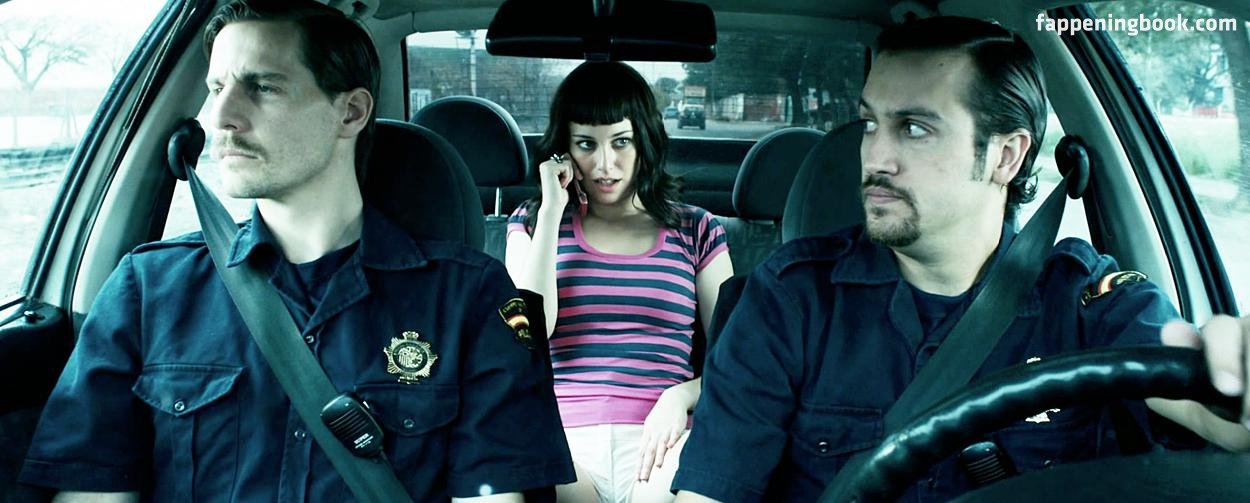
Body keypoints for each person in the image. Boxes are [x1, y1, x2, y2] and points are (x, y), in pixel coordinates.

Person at [670, 16, 1250, 503]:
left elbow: (1204, 407)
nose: (876, 157)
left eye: (914, 128)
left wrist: (1232, 384)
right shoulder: (791, 297)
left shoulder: (1083, 302)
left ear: (1005, 156)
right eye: (871, 124)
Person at [18, 1, 574, 501]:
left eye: (262, 87)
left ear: (350, 112)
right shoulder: (148, 288)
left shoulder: (472, 297)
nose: (221, 117)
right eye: (216, 88)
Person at [504, 62, 734, 503]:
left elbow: (737, 358)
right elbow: (529, 334)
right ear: (563, 150)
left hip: (666, 441)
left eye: (621, 142)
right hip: (560, 439)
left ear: (644, 140)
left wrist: (682, 396)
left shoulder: (696, 229)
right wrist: (551, 211)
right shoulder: (532, 224)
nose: (605, 164)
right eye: (586, 144)